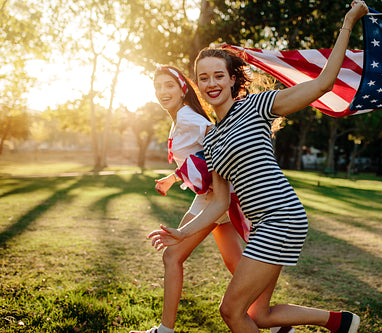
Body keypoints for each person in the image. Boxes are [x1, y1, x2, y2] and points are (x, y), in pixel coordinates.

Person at [148, 1, 368, 332]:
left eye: (218, 75)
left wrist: (348, 22)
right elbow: (220, 203)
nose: (211, 83)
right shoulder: (212, 139)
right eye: (203, 77)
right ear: (196, 84)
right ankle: (340, 322)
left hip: (282, 219)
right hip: (263, 224)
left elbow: (323, 83)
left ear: (232, 78)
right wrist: (182, 231)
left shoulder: (257, 105)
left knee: (231, 311)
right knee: (258, 315)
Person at [131, 66, 293, 333]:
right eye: (158, 86)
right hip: (217, 198)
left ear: (183, 88)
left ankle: (165, 330)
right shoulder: (181, 117)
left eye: (169, 85)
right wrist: (173, 178)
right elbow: (199, 156)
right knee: (235, 263)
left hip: (213, 200)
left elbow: (215, 138)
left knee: (172, 257)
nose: (163, 91)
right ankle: (276, 326)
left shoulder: (187, 117)